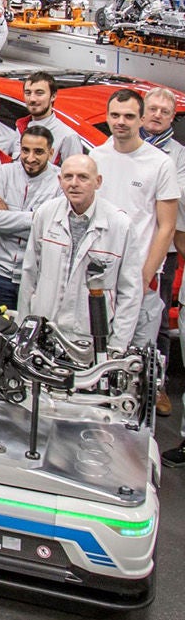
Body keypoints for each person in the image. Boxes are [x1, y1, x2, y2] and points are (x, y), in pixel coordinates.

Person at [17, 155, 143, 353]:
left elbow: (130, 292)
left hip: (90, 339)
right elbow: (30, 274)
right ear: (60, 181)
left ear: (98, 182)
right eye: (68, 177)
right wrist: (23, 331)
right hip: (44, 330)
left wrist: (117, 346)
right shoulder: (45, 214)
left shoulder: (120, 225)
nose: (74, 184)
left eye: (83, 177)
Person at [91, 86, 180, 350]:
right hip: (100, 275)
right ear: (107, 117)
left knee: (139, 357)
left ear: (141, 120)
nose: (120, 122)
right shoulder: (96, 157)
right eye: (115, 115)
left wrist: (143, 277)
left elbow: (167, 227)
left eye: (129, 116)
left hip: (140, 276)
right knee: (98, 350)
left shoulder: (160, 163)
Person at [0, 123, 56, 310]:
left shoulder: (59, 181)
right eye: (25, 150)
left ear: (50, 153)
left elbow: (51, 232)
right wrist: (35, 218)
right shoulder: (6, 172)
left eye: (38, 152)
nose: (30, 158)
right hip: (1, 274)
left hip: (38, 277)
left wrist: (6, 216)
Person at [142, 86, 185, 414]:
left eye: (164, 111)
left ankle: (156, 386)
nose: (157, 115)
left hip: (163, 248)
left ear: (172, 117)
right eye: (152, 109)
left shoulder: (179, 156)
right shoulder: (125, 145)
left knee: (156, 320)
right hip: (127, 247)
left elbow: (173, 197)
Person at [17, 72, 84, 163]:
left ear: (53, 96)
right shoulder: (20, 128)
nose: (32, 99)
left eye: (39, 93)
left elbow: (75, 173)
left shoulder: (68, 137)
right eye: (28, 93)